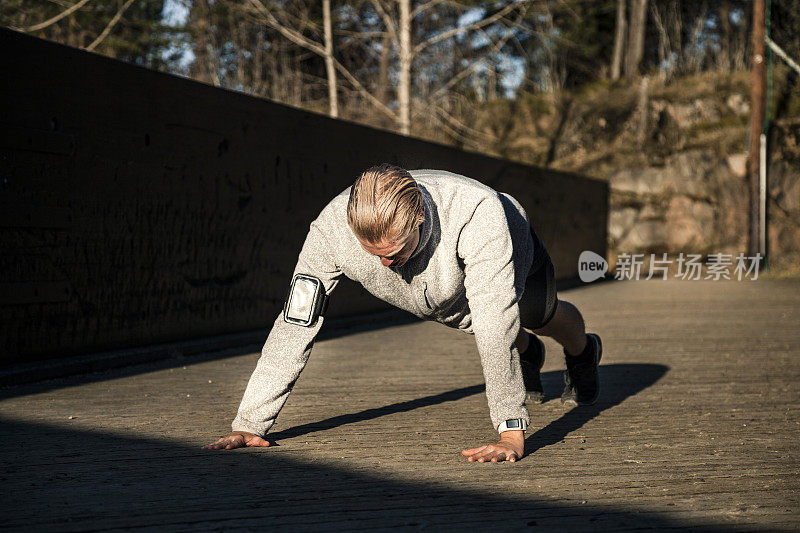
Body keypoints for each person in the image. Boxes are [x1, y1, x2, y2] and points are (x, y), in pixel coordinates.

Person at [202, 164, 602, 463]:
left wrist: (511, 430)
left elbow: (496, 320)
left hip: (510, 251)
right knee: (492, 329)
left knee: (536, 315)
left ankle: (583, 351)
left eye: (394, 254)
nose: (385, 267)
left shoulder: (477, 213)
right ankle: (527, 352)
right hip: (448, 300)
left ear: (421, 219)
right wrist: (250, 422)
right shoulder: (329, 232)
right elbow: (295, 323)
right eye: (372, 255)